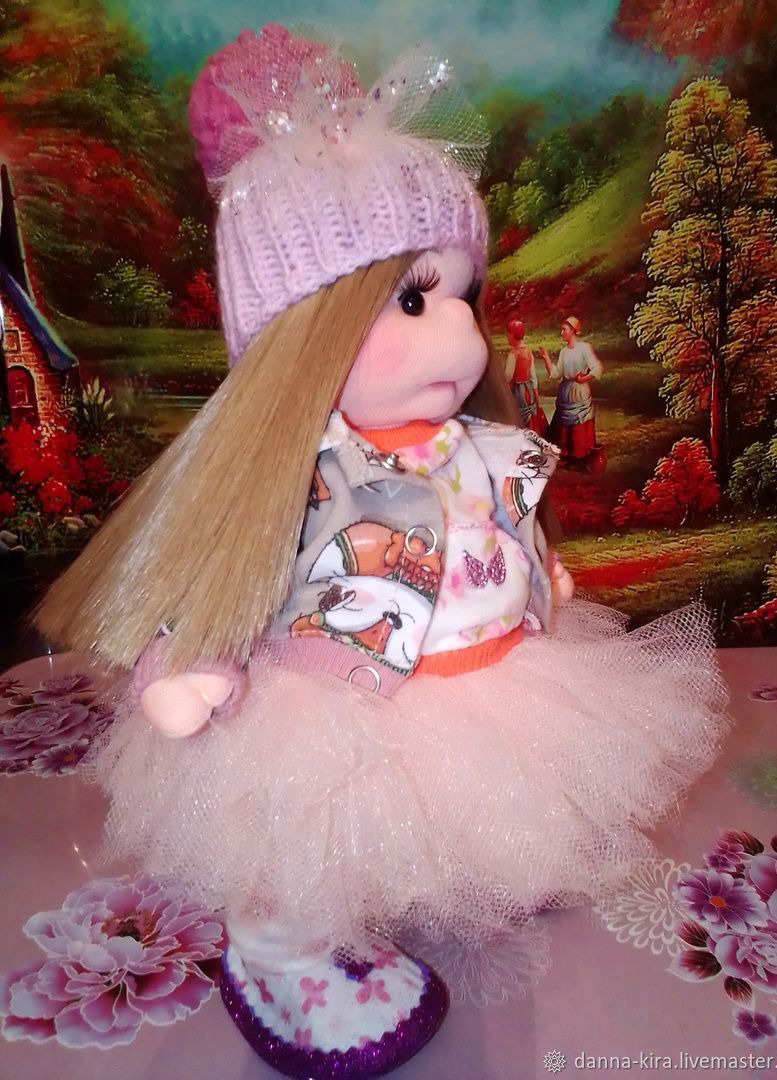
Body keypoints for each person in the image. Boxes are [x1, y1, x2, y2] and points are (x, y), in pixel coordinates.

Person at [33, 26, 726, 1078]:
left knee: (494, 798)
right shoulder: (296, 472)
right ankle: (281, 956)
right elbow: (225, 569)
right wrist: (195, 661)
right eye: (410, 298)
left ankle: (479, 869)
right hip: (337, 704)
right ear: (304, 332)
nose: (461, 335)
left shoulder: (470, 445)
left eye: (456, 295)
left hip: (485, 680)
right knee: (301, 839)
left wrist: (539, 581)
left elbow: (497, 526)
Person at [540, 316, 602, 464]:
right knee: (564, 424)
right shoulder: (564, 352)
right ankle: (567, 456)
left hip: (579, 391)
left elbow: (597, 368)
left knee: (579, 421)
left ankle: (580, 456)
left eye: (564, 329)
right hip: (565, 392)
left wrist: (584, 378)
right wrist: (546, 357)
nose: (561, 333)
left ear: (573, 330)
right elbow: (556, 374)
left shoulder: (584, 348)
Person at [505, 316, 548, 436]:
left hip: (518, 392)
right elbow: (533, 376)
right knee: (530, 419)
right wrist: (536, 396)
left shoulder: (513, 354)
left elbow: (508, 377)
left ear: (512, 334)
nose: (507, 336)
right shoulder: (528, 351)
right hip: (529, 391)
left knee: (517, 419)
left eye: (508, 333)